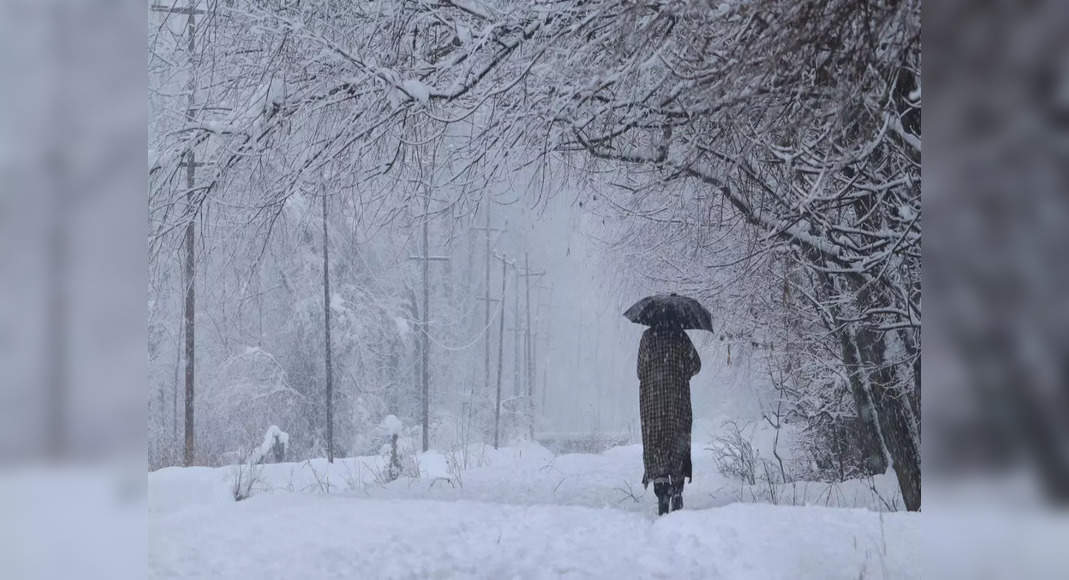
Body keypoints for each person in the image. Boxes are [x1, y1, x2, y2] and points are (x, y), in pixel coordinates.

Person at [637, 319, 701, 515]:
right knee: (677, 442)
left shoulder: (648, 337)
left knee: (656, 443)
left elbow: (640, 371)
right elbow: (696, 365)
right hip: (677, 400)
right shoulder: (681, 336)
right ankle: (677, 492)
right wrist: (680, 372)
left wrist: (655, 374)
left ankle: (662, 494)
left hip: (653, 403)